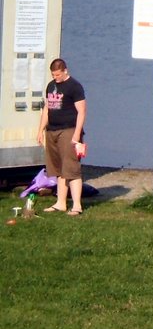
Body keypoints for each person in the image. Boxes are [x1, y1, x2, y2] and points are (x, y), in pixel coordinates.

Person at [37, 58, 87, 216]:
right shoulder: (51, 86)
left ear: (65, 70)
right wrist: (40, 130)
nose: (55, 78)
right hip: (52, 130)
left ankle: (77, 206)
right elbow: (47, 109)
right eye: (53, 75)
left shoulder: (74, 86)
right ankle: (60, 203)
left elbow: (81, 111)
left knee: (71, 169)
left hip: (69, 130)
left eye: (58, 74)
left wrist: (77, 134)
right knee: (58, 170)